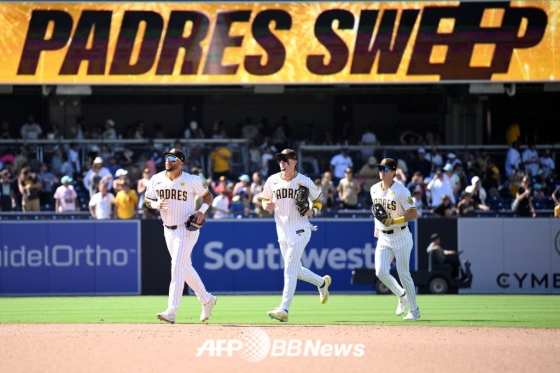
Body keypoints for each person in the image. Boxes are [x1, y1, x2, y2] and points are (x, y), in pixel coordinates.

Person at [144, 148, 216, 324]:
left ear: (181, 162)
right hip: (167, 229)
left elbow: (208, 197)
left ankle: (172, 311)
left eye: (173, 158)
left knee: (176, 267)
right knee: (185, 268)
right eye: (167, 157)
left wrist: (201, 211)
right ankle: (207, 299)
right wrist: (155, 205)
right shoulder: (156, 179)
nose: (168, 160)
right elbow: (147, 200)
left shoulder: (192, 180)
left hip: (186, 228)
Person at [261, 149, 330, 323]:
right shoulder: (272, 180)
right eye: (280, 159)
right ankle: (322, 283)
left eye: (285, 159)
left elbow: (318, 201)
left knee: (290, 268)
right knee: (296, 270)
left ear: (294, 161)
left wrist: (312, 211)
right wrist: (265, 205)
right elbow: (263, 199)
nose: (282, 162)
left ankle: (284, 309)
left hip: (300, 228)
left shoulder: (304, 181)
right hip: (282, 230)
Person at [370, 158, 420, 320]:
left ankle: (414, 311)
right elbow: (377, 211)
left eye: (385, 169)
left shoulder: (401, 190)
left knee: (403, 274)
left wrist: (394, 221)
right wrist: (377, 227)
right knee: (381, 272)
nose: (381, 172)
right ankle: (401, 294)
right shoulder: (374, 189)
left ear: (393, 172)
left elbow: (413, 213)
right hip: (383, 236)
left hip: (401, 235)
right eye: (380, 169)